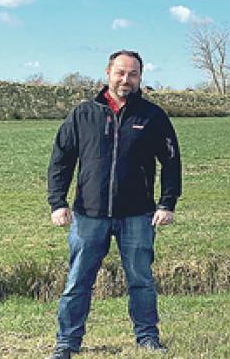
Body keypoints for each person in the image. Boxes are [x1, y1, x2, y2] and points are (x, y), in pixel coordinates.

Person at [46, 50, 182, 358]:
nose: (126, 79)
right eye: (120, 72)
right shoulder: (83, 114)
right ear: (108, 72)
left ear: (140, 78)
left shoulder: (152, 116)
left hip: (137, 215)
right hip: (88, 215)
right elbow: (61, 160)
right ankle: (67, 342)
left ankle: (147, 338)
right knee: (77, 280)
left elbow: (171, 162)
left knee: (141, 281)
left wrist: (167, 203)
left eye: (132, 74)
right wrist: (57, 202)